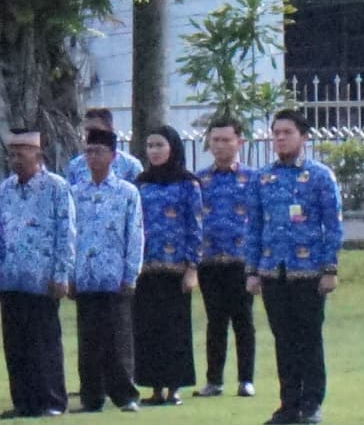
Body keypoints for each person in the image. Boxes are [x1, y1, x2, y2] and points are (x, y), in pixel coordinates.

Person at [250, 109, 344, 425]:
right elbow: (254, 227)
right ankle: (288, 402)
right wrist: (252, 270)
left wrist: (330, 268)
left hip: (308, 270)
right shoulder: (263, 178)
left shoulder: (318, 176)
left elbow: (332, 225)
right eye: (276, 132)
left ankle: (311, 401)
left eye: (287, 132)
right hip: (273, 270)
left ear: (303, 137)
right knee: (283, 339)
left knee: (308, 337)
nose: (280, 138)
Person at [61, 121, 141, 410]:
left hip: (114, 275)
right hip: (85, 275)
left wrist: (131, 273)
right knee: (89, 340)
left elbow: (134, 235)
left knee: (118, 339)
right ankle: (92, 395)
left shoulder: (126, 193)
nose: (92, 158)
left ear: (112, 156)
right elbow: (69, 235)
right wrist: (69, 274)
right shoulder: (74, 193)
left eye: (98, 151)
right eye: (88, 152)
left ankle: (125, 395)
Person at [128, 128, 197, 408]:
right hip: (145, 269)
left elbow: (195, 227)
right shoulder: (140, 184)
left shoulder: (186, 183)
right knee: (147, 328)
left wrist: (192, 267)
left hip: (175, 269)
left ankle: (174, 387)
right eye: (150, 145)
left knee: (174, 328)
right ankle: (154, 387)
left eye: (160, 145)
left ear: (173, 148)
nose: (154, 151)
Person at [0, 130, 66, 417]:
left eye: (21, 153)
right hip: (10, 277)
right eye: (12, 154)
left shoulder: (56, 187)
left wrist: (62, 273)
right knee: (16, 343)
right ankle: (23, 402)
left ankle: (51, 400)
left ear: (37, 155)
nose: (15, 160)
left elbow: (66, 232)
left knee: (44, 340)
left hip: (42, 278)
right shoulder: (5, 189)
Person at [192, 118, 258, 397]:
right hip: (209, 262)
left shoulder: (252, 179)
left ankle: (246, 379)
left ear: (239, 142)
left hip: (240, 262)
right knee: (215, 321)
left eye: (226, 140)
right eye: (215, 140)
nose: (220, 146)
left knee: (243, 320)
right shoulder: (199, 180)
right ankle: (214, 380)